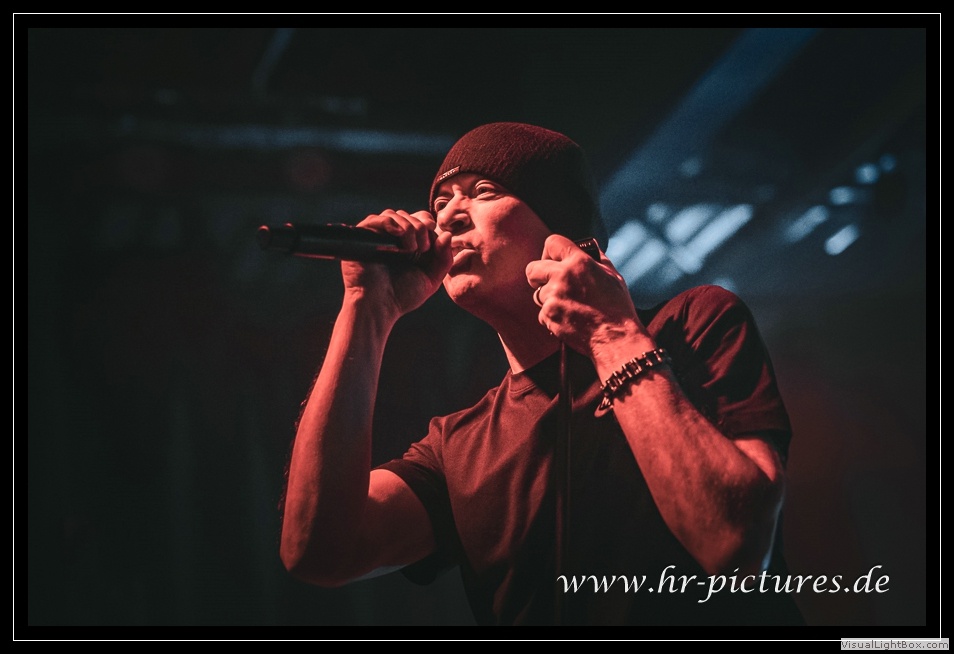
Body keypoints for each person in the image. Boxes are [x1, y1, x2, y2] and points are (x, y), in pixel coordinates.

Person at [279, 122, 805, 626]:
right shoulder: (458, 447)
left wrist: (611, 335)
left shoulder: (691, 324)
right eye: (440, 203)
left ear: (564, 231)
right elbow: (317, 550)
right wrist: (366, 307)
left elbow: (734, 545)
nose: (449, 216)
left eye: (483, 191)